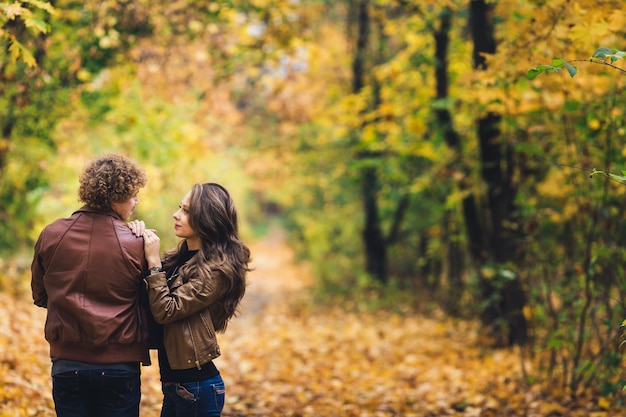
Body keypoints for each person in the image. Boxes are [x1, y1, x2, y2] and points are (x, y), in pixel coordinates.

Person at [31, 153, 153, 417]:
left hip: (67, 363)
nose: (137, 200)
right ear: (117, 195)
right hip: (120, 365)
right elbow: (150, 302)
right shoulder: (136, 243)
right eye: (133, 194)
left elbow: (41, 296)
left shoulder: (51, 235)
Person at [135, 182, 250, 417]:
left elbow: (166, 310)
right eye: (180, 207)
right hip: (176, 386)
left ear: (207, 219)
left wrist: (154, 263)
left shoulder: (216, 271)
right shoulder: (179, 260)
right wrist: (133, 237)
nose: (176, 215)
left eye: (187, 211)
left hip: (196, 387)